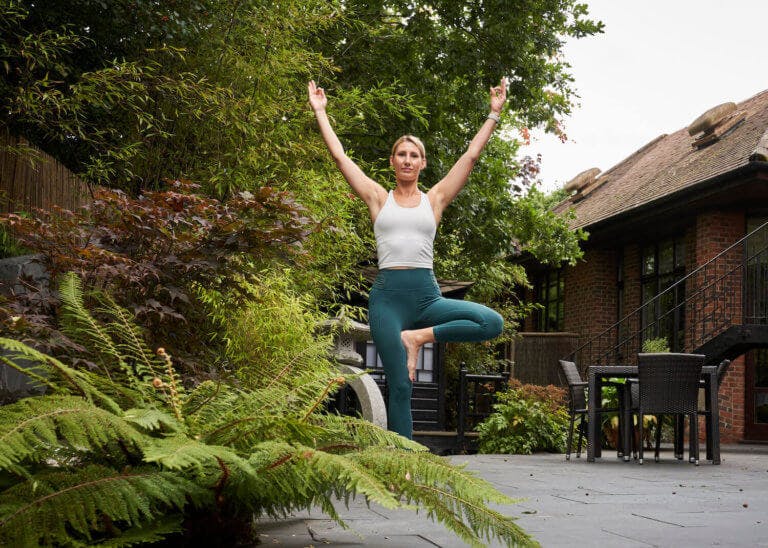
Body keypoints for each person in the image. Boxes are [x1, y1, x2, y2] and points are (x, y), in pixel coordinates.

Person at [308, 78, 507, 439]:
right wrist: (321, 111)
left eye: (414, 155)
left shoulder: (435, 199)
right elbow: (340, 157)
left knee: (491, 323)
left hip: (427, 297)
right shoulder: (377, 198)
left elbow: (471, 156)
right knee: (400, 386)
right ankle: (405, 459)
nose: (407, 159)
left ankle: (418, 337)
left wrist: (493, 114)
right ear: (393, 161)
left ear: (422, 163)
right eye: (402, 154)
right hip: (387, 301)